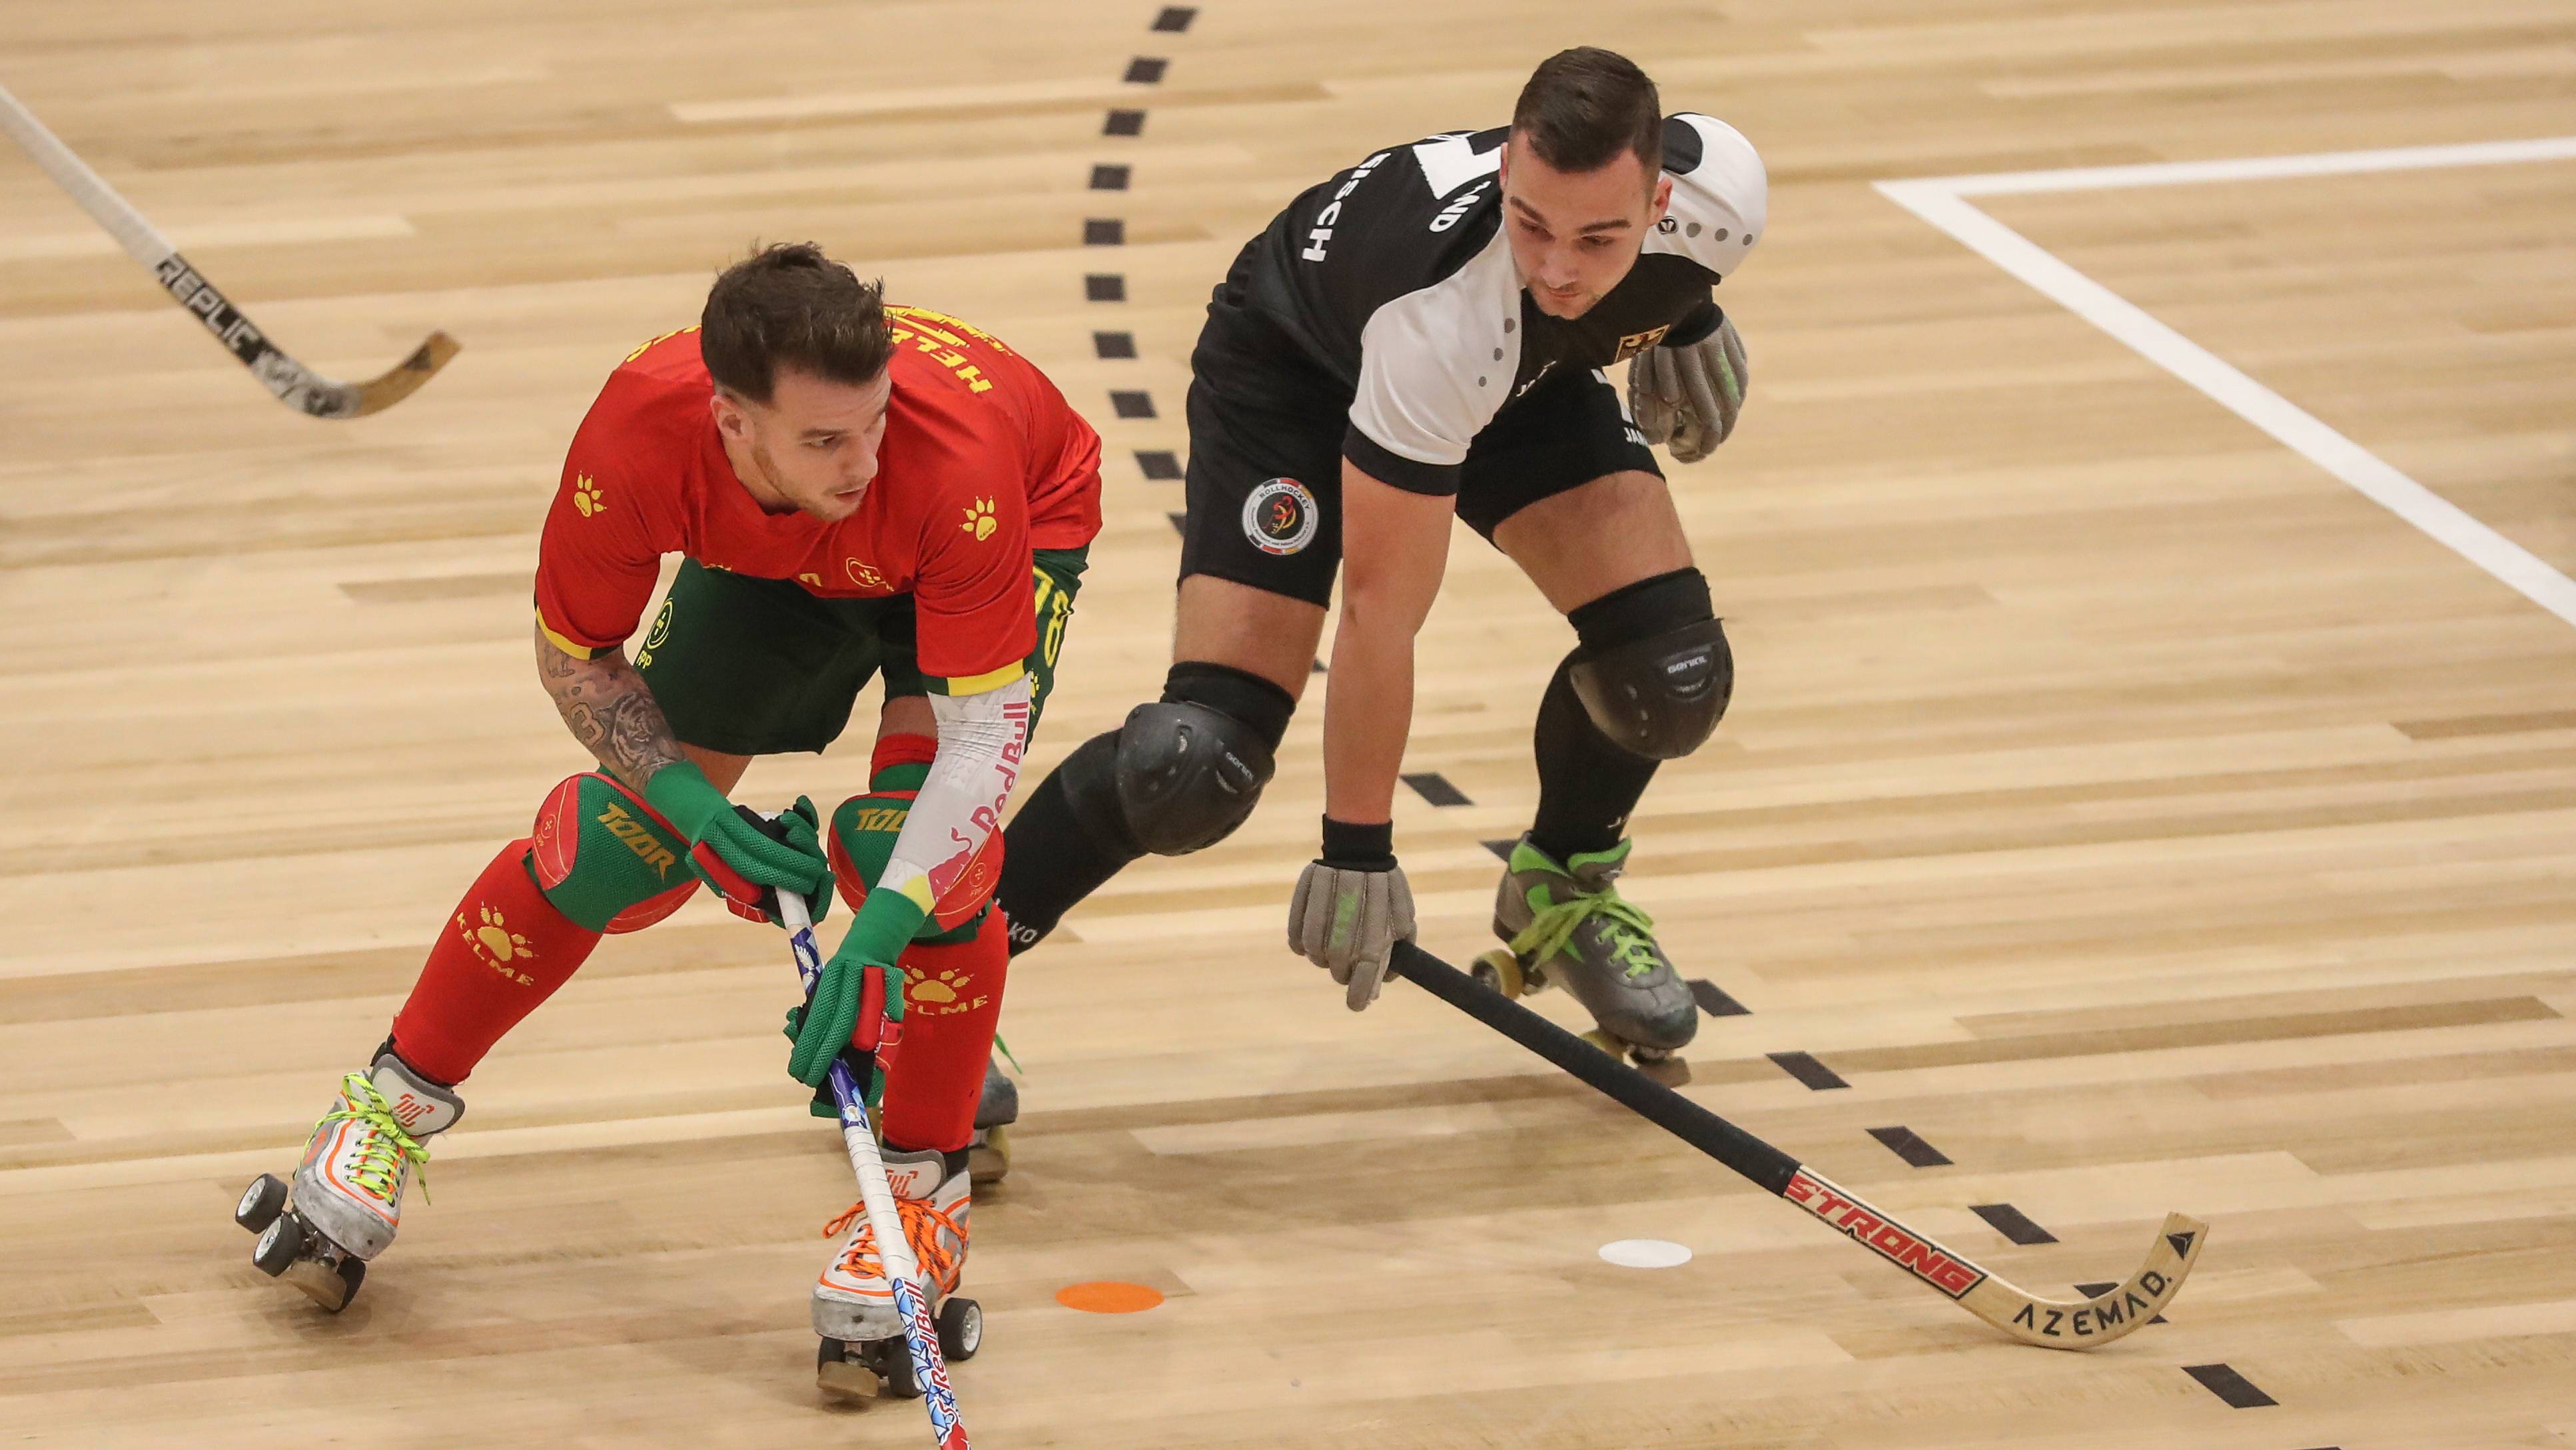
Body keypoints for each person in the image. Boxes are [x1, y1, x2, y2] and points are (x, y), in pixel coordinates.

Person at [231, 244, 1099, 1400]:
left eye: (876, 421)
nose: (863, 459)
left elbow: (982, 746)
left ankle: (917, 1194)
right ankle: (384, 1106)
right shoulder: (641, 429)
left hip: (995, 534)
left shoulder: (946, 466)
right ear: (731, 422)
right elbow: (574, 657)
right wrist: (694, 815)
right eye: (825, 439)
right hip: (775, 562)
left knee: (910, 852)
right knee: (612, 845)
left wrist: (880, 930)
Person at [997, 47, 1761, 1082]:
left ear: (1662, 203)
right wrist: (1358, 843)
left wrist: (1680, 312)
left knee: (1670, 673)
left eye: (1601, 237)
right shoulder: (1442, 319)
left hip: (1514, 380)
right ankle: (929, 979)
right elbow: (1380, 614)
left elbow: (1644, 275)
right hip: (1298, 374)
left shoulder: (1723, 194)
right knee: (1193, 762)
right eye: (1531, 222)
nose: (1561, 267)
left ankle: (1562, 887)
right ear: (1506, 179)